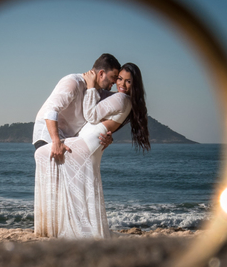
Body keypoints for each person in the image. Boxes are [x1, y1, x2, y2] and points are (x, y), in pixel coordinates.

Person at [34, 62, 150, 238]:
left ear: (135, 85)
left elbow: (91, 115)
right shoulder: (83, 85)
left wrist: (89, 86)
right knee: (74, 187)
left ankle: (59, 229)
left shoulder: (120, 98)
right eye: (118, 79)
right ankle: (66, 228)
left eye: (128, 81)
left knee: (44, 158)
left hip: (87, 143)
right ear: (102, 73)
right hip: (83, 141)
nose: (120, 84)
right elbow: (101, 118)